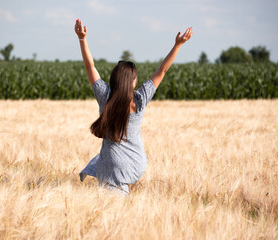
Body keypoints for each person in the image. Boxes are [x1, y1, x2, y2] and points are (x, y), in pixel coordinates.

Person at [75, 19, 193, 196]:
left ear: (115, 79)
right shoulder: (140, 99)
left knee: (103, 164)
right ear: (133, 82)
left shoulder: (105, 97)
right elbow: (162, 70)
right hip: (136, 164)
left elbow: (89, 66)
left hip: (112, 165)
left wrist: (82, 39)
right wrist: (178, 45)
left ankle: (115, 189)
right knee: (102, 162)